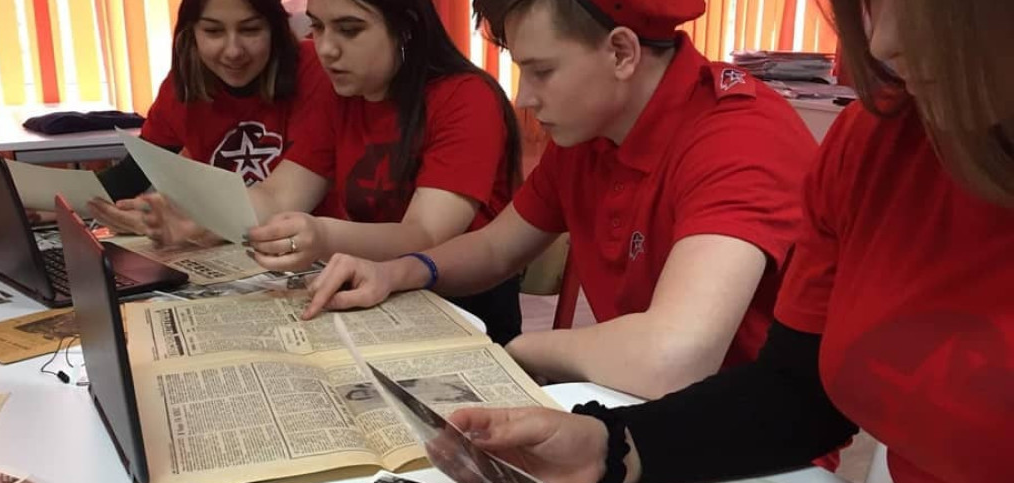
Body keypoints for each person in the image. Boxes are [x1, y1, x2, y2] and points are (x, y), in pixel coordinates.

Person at [449, 0, 1014, 483]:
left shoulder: (743, 132)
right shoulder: (880, 138)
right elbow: (798, 392)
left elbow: (676, 350)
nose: (882, 42)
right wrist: (611, 445)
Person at [300, 0, 817, 400]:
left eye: (541, 71)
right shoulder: (592, 131)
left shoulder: (738, 139)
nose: (524, 97)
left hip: (750, 448)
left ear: (621, 53)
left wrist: (521, 351)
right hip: (634, 404)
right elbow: (496, 248)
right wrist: (398, 272)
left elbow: (674, 355)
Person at [145, 0, 525, 344]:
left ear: (406, 28)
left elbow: (425, 235)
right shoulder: (340, 96)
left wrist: (325, 236)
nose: (325, 48)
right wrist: (198, 212)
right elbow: (278, 196)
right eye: (318, 27)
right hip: (375, 298)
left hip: (463, 309)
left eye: (349, 29)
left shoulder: (466, 98)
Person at [89, 0, 332, 232]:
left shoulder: (318, 69)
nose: (233, 51)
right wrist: (65, 203)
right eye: (213, 31)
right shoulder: (183, 85)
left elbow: (280, 201)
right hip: (230, 244)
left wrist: (187, 221)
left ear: (275, 31)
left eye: (250, 30)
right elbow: (131, 176)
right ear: (191, 34)